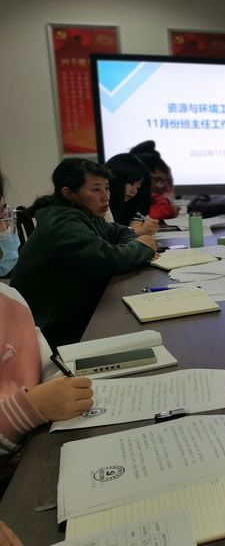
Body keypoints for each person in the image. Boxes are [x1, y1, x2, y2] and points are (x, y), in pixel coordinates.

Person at [0, 169, 93, 472]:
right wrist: (29, 409)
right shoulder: (64, 223)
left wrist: (62, 388)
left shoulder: (10, 299)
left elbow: (48, 369)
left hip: (41, 443)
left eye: (2, 213)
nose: (5, 227)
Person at [11, 159, 157, 348]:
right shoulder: (63, 224)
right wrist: (143, 246)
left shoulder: (85, 215)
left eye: (107, 188)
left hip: (75, 314)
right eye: (96, 190)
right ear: (69, 193)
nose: (105, 197)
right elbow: (109, 260)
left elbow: (119, 232)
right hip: (54, 333)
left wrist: (136, 243)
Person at [105, 153, 159, 236]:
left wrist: (136, 221)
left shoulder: (126, 205)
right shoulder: (102, 206)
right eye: (131, 183)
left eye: (138, 187)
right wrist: (134, 232)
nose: (134, 191)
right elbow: (105, 239)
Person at [131, 141, 180, 220]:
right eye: (156, 179)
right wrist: (170, 210)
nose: (157, 185)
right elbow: (141, 215)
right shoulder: (129, 193)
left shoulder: (150, 194)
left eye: (161, 182)